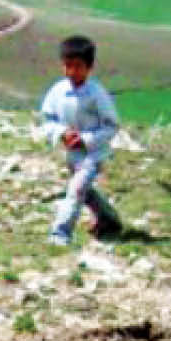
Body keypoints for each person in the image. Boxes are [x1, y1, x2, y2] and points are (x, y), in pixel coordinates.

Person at [37, 35, 123, 246]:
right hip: (71, 154)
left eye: (78, 66)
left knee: (75, 190)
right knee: (85, 191)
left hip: (93, 154)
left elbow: (111, 125)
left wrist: (85, 139)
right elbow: (47, 119)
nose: (72, 72)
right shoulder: (58, 91)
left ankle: (60, 234)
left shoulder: (97, 94)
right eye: (68, 66)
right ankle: (109, 220)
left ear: (89, 67)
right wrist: (60, 133)